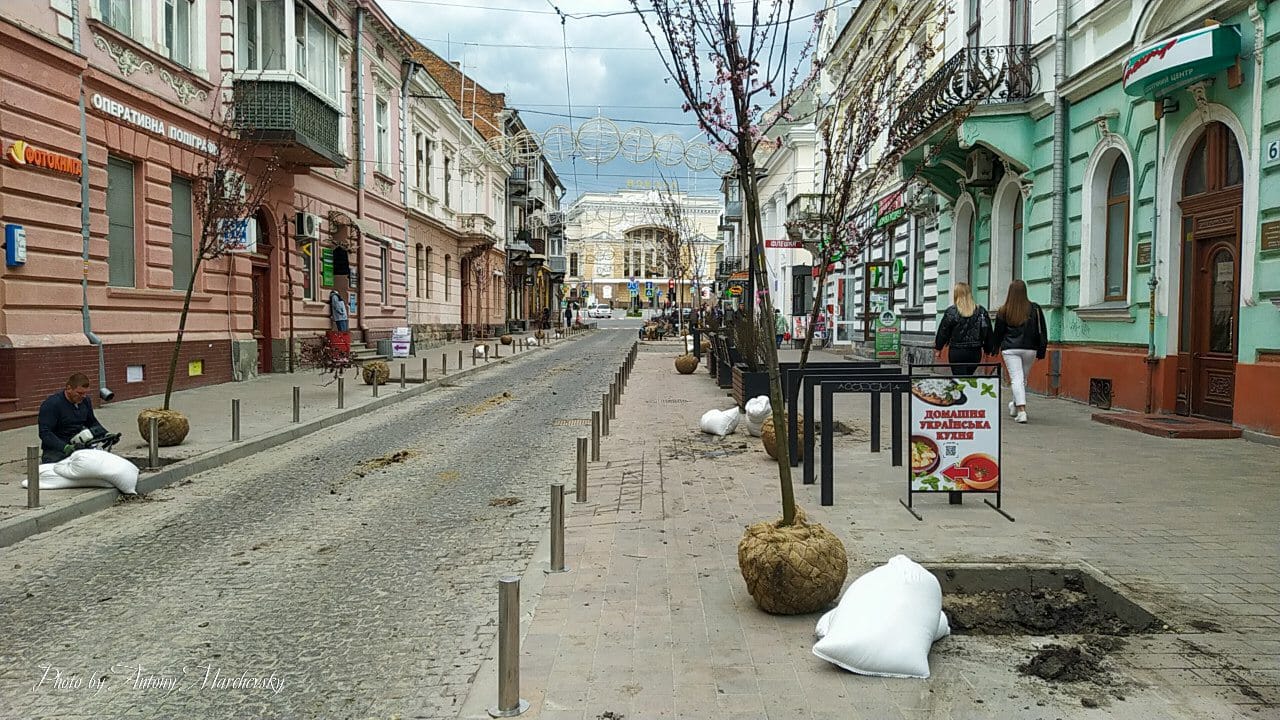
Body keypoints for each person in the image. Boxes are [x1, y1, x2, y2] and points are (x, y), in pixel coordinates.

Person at [991, 279, 1048, 424]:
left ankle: (1022, 411)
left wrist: (994, 348)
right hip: (1030, 349)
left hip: (1010, 349)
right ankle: (1015, 405)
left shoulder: (1004, 310)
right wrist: (1042, 350)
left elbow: (998, 333)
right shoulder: (1034, 308)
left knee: (1017, 379)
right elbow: (1042, 331)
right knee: (1021, 379)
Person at [38, 373, 108, 463]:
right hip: (56, 449)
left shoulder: (85, 401)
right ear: (69, 388)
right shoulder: (52, 404)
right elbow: (45, 433)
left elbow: (91, 422)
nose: (83, 396)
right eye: (80, 393)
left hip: (80, 444)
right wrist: (65, 447)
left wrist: (105, 434)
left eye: (85, 393)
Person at [933, 282, 992, 376]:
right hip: (975, 351)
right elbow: (987, 331)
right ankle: (967, 391)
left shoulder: (951, 311)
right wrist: (988, 349)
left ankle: (962, 391)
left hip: (957, 351)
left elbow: (943, 331)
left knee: (959, 379)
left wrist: (938, 348)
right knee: (968, 377)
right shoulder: (981, 311)